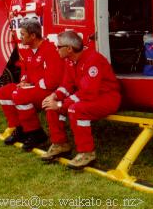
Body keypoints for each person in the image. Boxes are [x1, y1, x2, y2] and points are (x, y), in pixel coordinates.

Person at [41, 31, 121, 169]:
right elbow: (66, 85)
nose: (56, 49)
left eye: (58, 46)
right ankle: (60, 144)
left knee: (75, 109)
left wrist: (60, 104)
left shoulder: (92, 60)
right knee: (51, 106)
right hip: (89, 96)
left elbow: (88, 93)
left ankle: (87, 153)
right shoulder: (70, 60)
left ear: (69, 49)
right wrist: (54, 96)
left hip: (107, 98)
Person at [0, 18, 64, 151]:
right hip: (34, 88)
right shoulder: (28, 51)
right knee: (3, 93)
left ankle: (36, 133)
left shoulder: (49, 50)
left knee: (19, 95)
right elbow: (25, 71)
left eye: (22, 34)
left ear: (33, 36)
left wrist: (31, 85)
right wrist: (23, 81)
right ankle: (20, 128)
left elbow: (53, 81)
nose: (20, 37)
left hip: (49, 91)